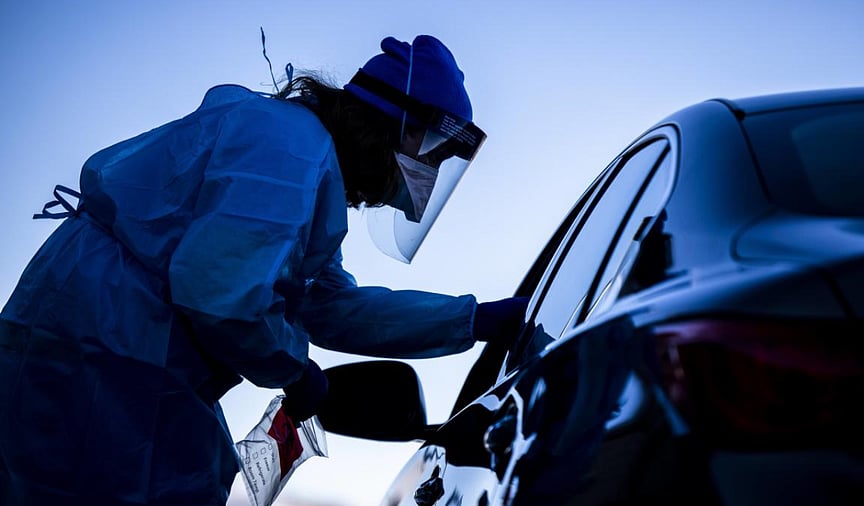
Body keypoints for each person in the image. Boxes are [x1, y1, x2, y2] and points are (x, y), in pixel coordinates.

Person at [0, 34, 528, 505]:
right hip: (106, 346)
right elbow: (219, 292)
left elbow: (328, 307)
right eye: (432, 155)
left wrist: (469, 320)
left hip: (114, 343)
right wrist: (294, 372)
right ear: (400, 123)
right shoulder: (290, 148)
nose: (427, 175)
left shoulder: (305, 161)